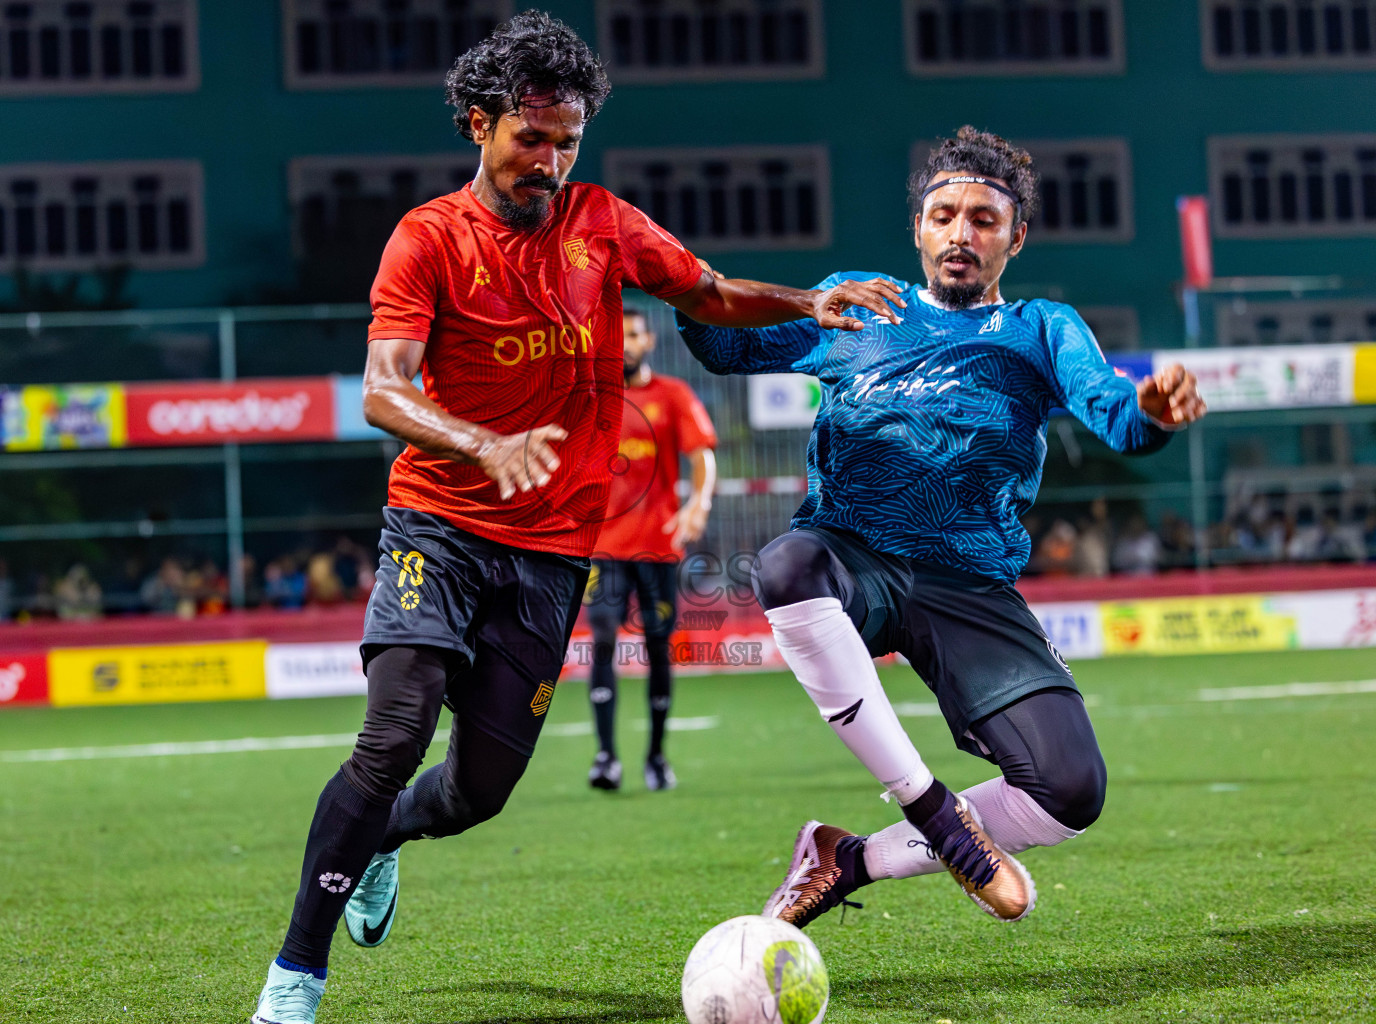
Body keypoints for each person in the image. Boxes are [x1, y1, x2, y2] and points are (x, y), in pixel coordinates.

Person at [249, 13, 908, 1023]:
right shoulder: (427, 237)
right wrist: (482, 442)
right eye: (531, 138)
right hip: (439, 525)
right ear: (480, 124)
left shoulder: (603, 222)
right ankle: (296, 976)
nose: (549, 161)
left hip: (555, 554)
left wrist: (806, 300)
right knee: (393, 736)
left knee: (475, 792)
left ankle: (383, 836)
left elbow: (713, 291)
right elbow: (383, 391)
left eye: (567, 141)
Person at [675, 126, 1207, 930]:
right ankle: (932, 813)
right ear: (919, 229)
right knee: (786, 565)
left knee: (1069, 791)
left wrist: (1153, 412)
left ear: (1015, 237)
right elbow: (721, 345)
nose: (962, 233)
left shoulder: (1041, 327)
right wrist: (676, 280)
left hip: (968, 580)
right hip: (853, 554)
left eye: (984, 220)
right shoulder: (860, 301)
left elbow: (1116, 417)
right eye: (945, 214)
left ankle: (848, 857)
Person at [584, 308, 718, 792]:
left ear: (649, 341)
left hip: (658, 547)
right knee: (601, 636)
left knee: (658, 645)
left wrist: (698, 505)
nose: (625, 343)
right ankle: (605, 758)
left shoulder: (672, 395)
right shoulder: (592, 398)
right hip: (600, 546)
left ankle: (657, 757)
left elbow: (702, 455)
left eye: (634, 334)